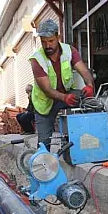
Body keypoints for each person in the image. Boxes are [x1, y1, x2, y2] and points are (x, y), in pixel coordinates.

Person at [29, 19, 94, 151]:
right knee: (44, 143)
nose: (47, 46)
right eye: (44, 42)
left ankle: (88, 143)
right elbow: (47, 90)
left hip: (66, 94)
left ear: (58, 37)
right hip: (45, 102)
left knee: (90, 103)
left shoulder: (69, 50)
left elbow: (83, 70)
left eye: (51, 41)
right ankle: (44, 164)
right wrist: (65, 98)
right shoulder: (37, 59)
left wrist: (89, 85)